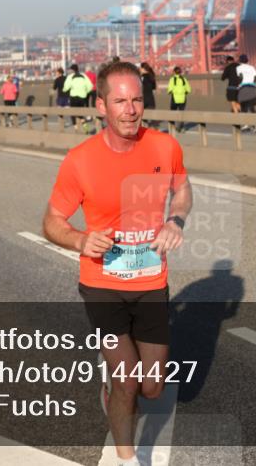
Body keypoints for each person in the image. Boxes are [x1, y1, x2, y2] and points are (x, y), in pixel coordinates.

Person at [42, 61, 191, 466]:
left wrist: (176, 219)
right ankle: (127, 459)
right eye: (120, 101)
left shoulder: (165, 146)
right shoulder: (80, 160)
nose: (130, 110)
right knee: (126, 378)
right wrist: (80, 239)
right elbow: (51, 221)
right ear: (101, 105)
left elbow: (182, 190)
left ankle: (113, 391)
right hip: (102, 284)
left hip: (150, 283)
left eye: (137, 99)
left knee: (153, 387)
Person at [64, 64, 94, 130]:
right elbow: (90, 86)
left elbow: (66, 87)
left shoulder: (70, 76)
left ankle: (76, 128)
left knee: (73, 112)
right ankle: (85, 126)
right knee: (80, 112)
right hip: (82, 97)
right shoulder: (84, 76)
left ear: (72, 70)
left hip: (73, 96)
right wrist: (85, 92)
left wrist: (65, 90)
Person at [235, 55, 256, 132]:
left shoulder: (238, 68)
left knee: (243, 107)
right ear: (247, 60)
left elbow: (240, 77)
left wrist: (239, 84)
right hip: (252, 88)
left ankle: (246, 125)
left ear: (240, 60)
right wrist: (252, 82)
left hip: (243, 88)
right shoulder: (251, 67)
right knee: (252, 107)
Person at [166, 66, 191, 132]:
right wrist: (183, 92)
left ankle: (172, 127)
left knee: (172, 113)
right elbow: (188, 89)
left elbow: (169, 89)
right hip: (183, 99)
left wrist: (170, 91)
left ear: (174, 72)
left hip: (175, 98)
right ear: (180, 72)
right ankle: (181, 128)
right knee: (181, 113)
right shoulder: (184, 79)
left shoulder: (172, 79)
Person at [140, 62, 157, 128]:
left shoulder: (142, 77)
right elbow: (154, 87)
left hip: (143, 100)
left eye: (141, 68)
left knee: (143, 120)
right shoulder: (151, 76)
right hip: (151, 99)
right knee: (151, 119)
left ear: (143, 68)